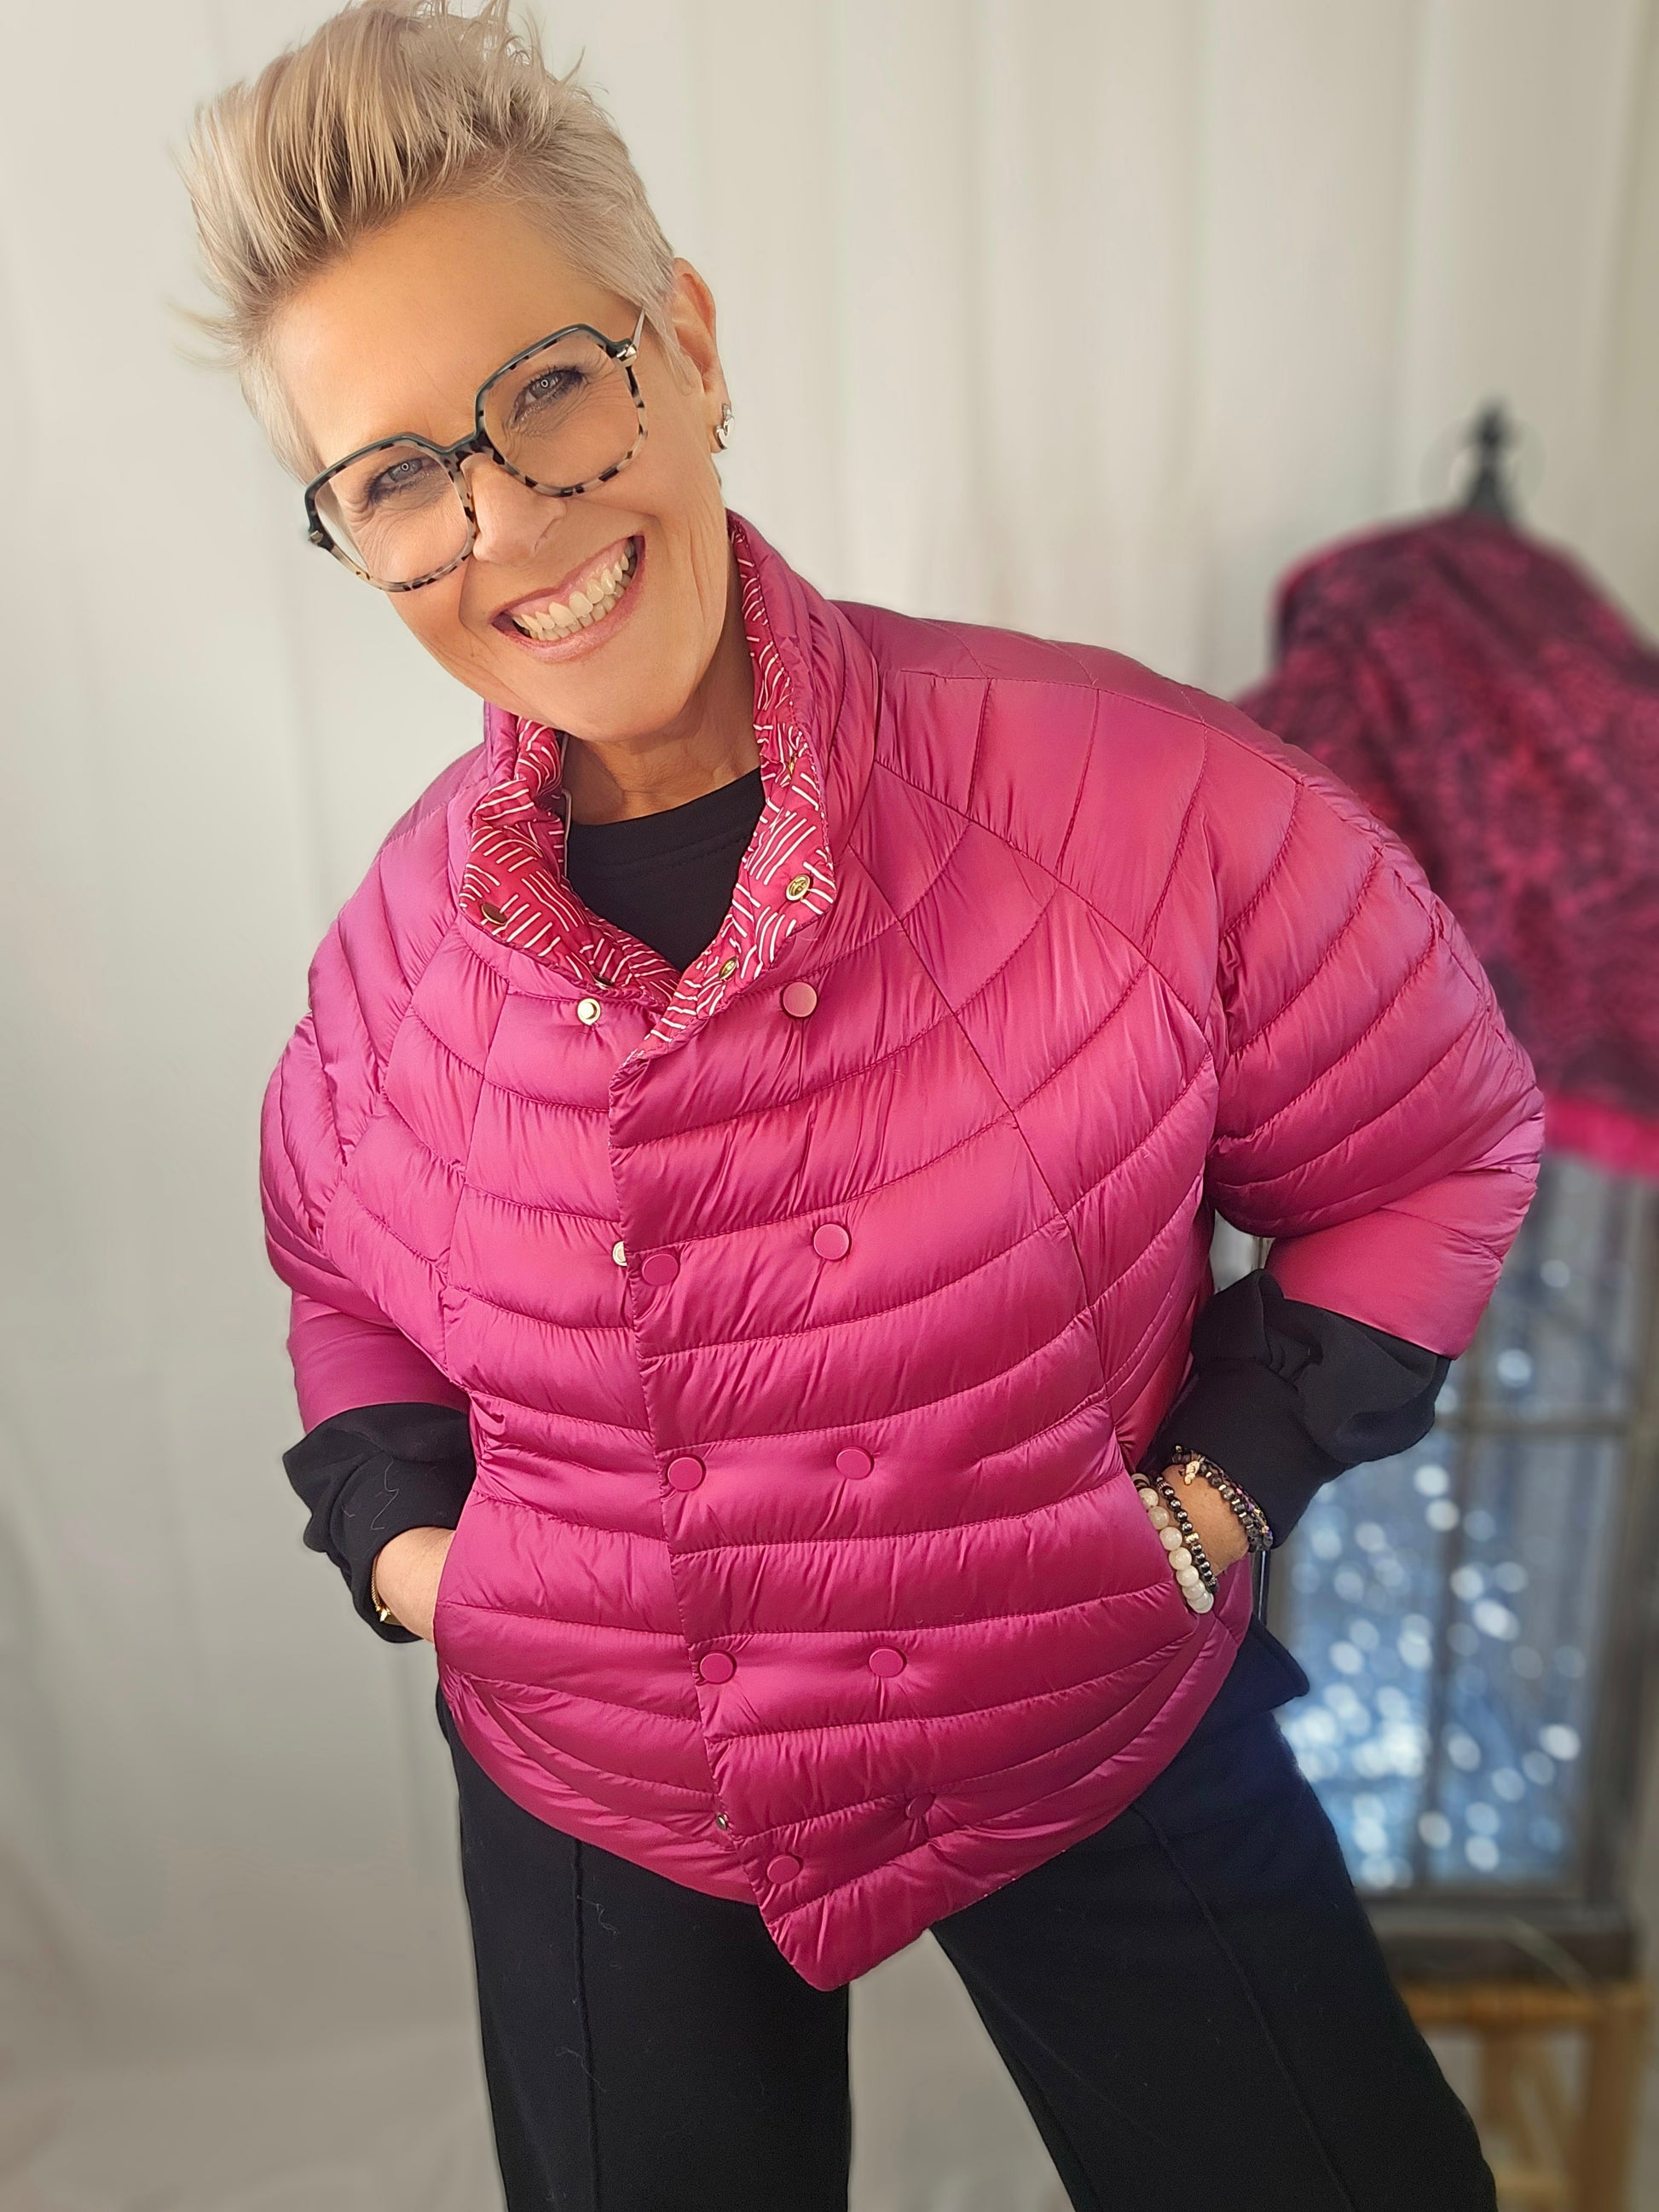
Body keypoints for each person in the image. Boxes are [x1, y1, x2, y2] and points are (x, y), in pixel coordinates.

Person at [183, 6, 1543, 2206]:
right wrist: (432, 1566)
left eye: (549, 385)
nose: (507, 518)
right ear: (352, 531)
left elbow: (1430, 1151)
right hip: (604, 1774)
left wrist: (1200, 1511)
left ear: (688, 345)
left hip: (1084, 1701)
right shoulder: (392, 954)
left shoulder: (1145, 799)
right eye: (398, 478)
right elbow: (344, 1287)